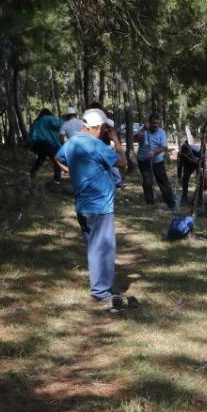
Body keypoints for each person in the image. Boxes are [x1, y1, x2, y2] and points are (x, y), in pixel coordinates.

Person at [55, 108, 134, 310]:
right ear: (97, 127)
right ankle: (101, 291)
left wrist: (73, 172)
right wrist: (116, 140)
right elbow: (123, 162)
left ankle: (100, 286)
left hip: (83, 205)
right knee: (105, 248)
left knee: (94, 247)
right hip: (99, 206)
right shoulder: (96, 145)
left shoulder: (72, 142)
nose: (103, 131)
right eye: (103, 128)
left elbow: (58, 158)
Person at [132, 112, 177, 211]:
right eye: (153, 123)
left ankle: (171, 204)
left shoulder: (161, 132)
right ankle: (150, 203)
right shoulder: (143, 130)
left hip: (157, 160)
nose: (155, 125)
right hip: (143, 160)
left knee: (163, 181)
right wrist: (143, 129)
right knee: (147, 181)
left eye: (157, 123)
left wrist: (154, 153)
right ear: (149, 122)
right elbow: (135, 139)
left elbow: (163, 147)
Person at [26, 108, 63, 184]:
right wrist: (66, 121)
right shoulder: (48, 118)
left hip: (36, 145)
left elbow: (30, 136)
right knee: (57, 160)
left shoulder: (36, 122)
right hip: (46, 143)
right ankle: (57, 181)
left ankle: (31, 175)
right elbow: (58, 124)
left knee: (40, 159)